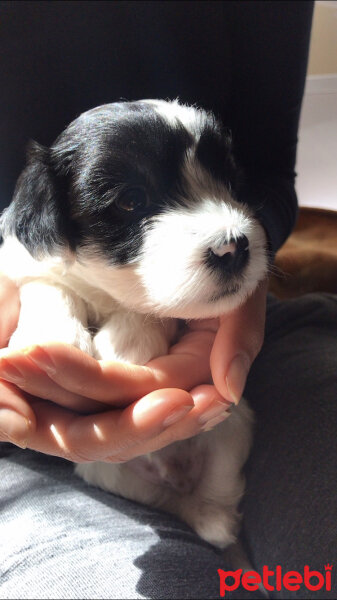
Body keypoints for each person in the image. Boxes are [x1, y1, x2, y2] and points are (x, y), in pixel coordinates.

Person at [0, 2, 335, 598]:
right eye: (129, 202)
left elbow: (268, 180)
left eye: (219, 180)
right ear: (53, 229)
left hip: (245, 363)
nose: (227, 231)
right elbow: (33, 280)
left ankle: (217, 515)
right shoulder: (35, 252)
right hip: (35, 450)